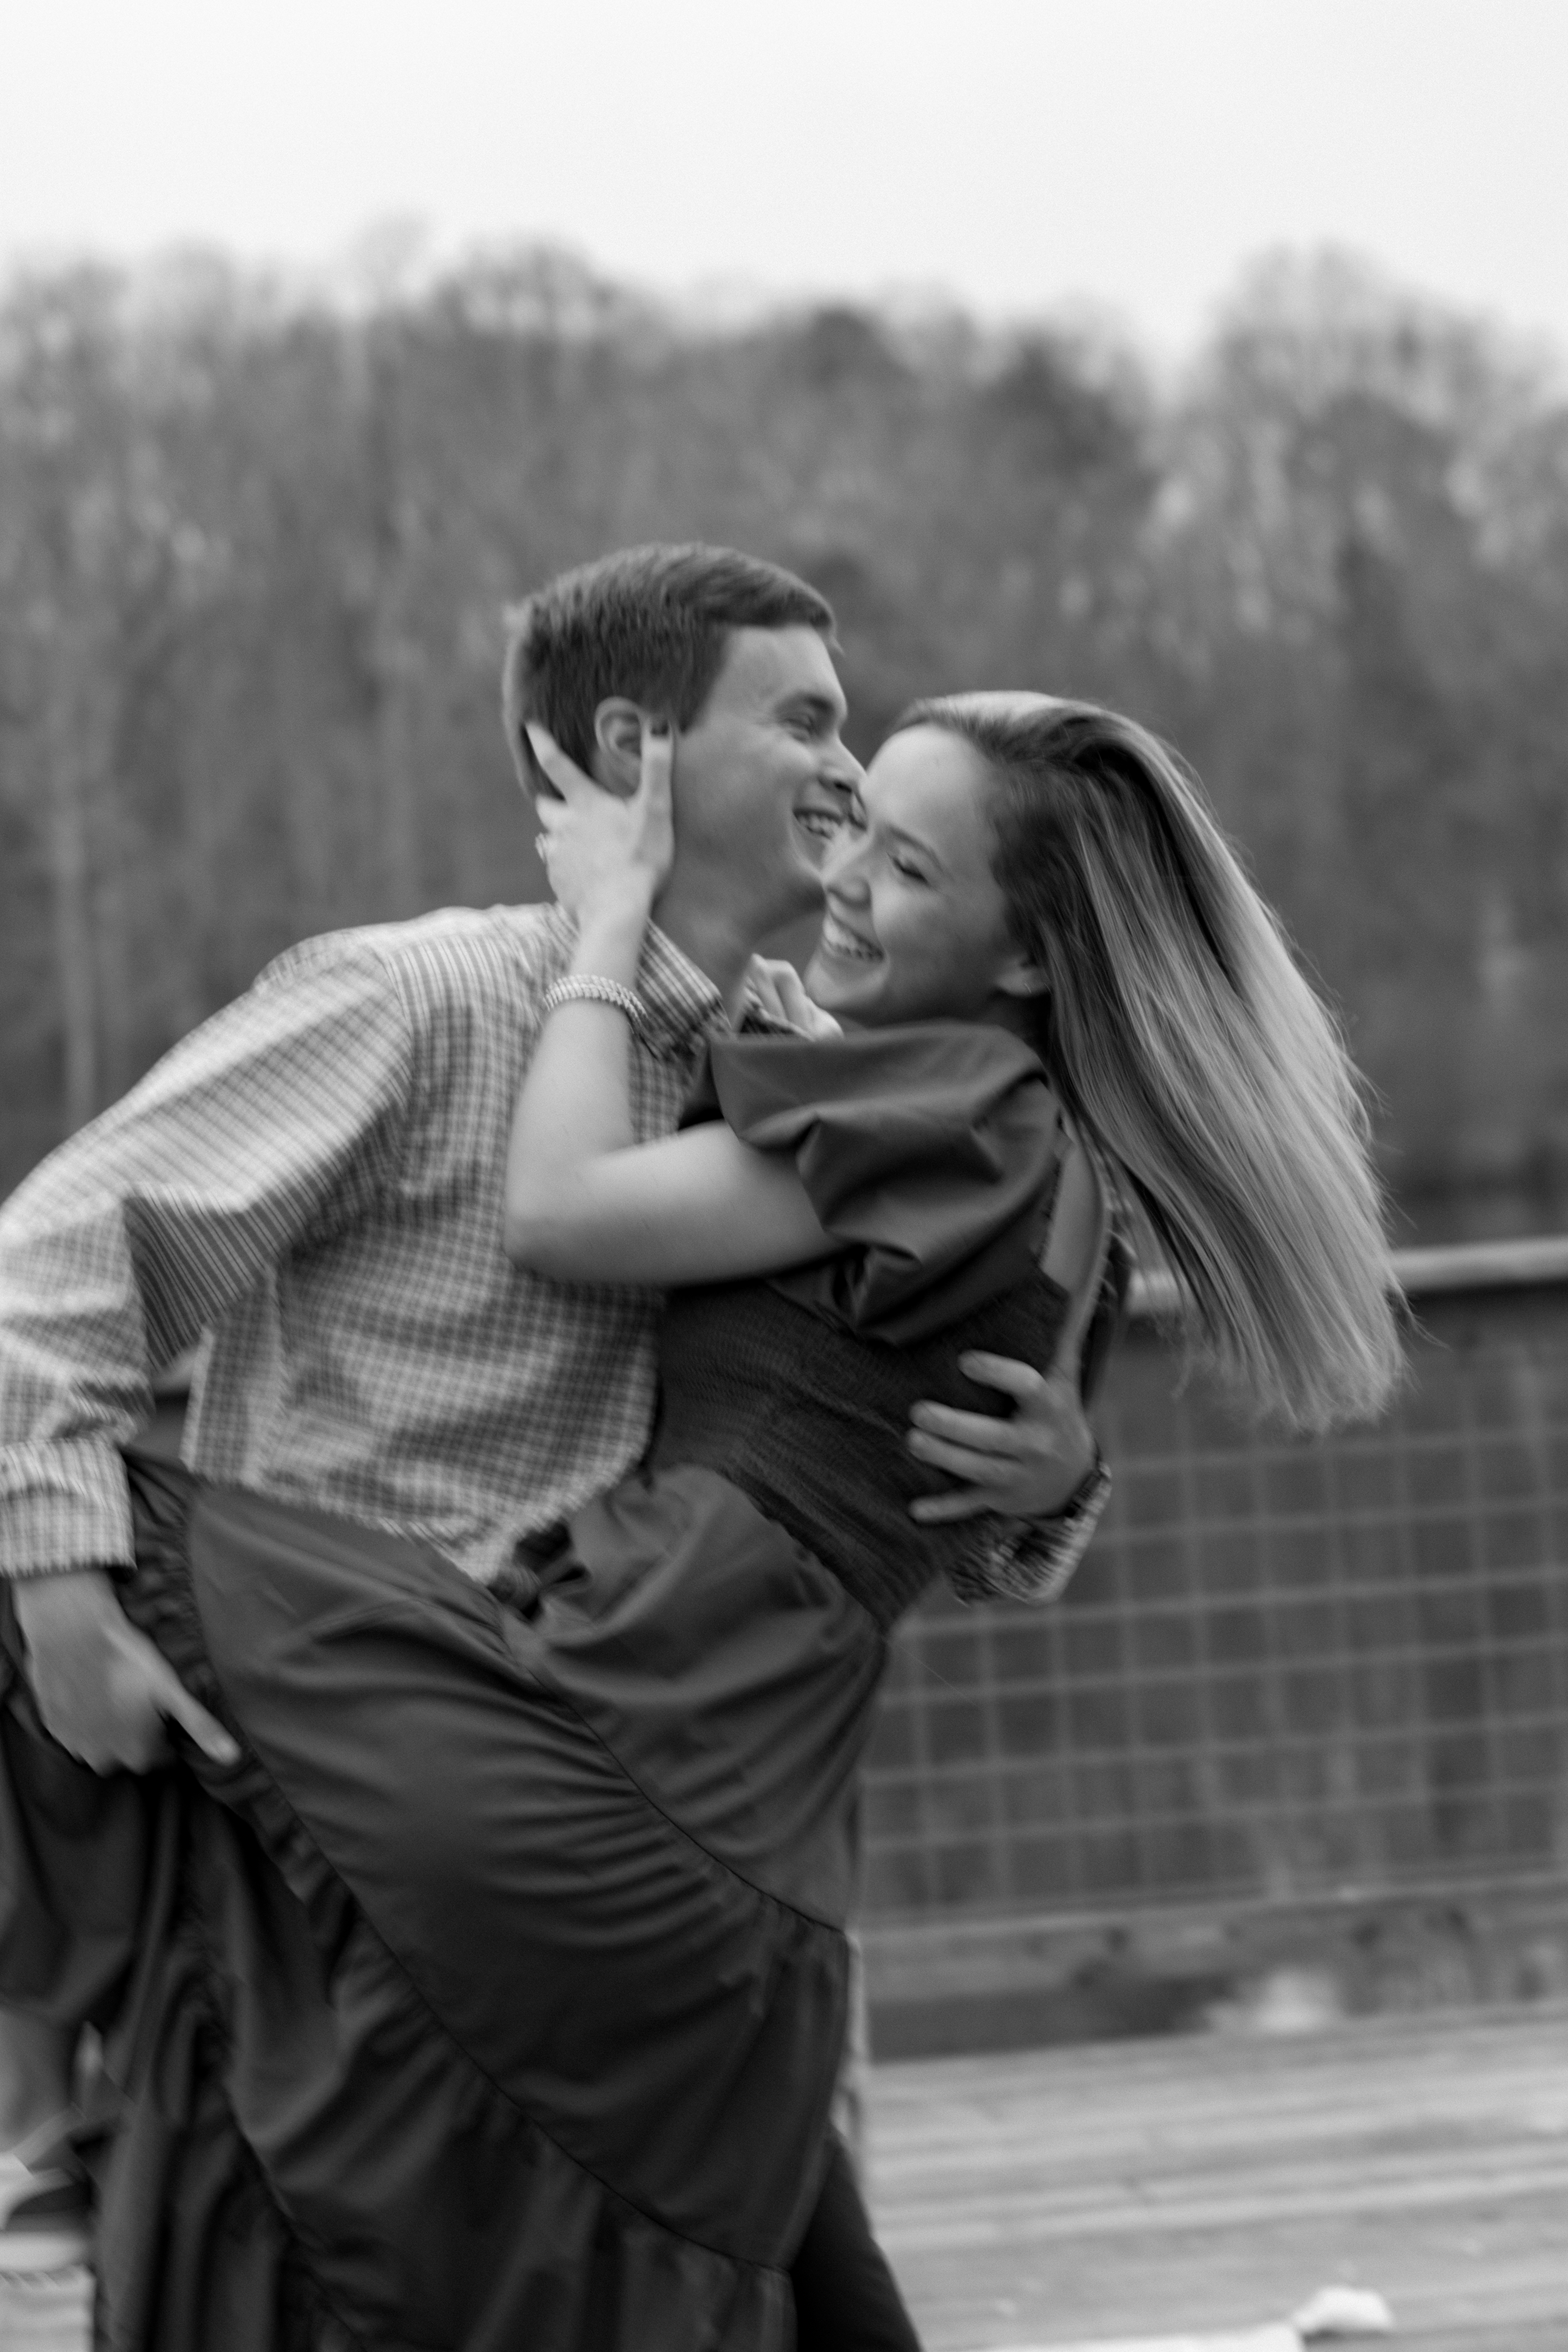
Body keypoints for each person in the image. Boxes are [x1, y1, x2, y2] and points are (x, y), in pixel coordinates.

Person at [0, 546, 1104, 2348]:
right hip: (346, 1819)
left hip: (630, 1815)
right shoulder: (421, 1005)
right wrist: (57, 1582)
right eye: (806, 720)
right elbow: (49, 1271)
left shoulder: (824, 1067)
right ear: (629, 744)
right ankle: (47, 2096)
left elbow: (868, 1468)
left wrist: (1050, 1492)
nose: (847, 767)